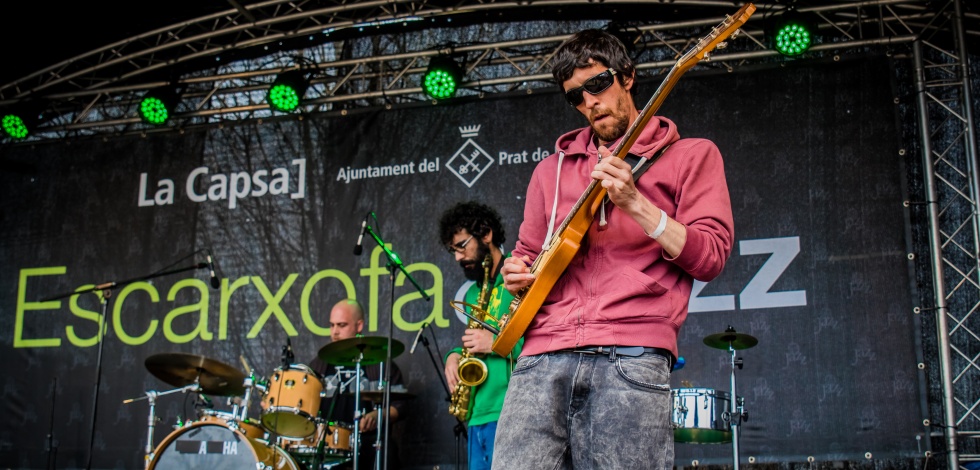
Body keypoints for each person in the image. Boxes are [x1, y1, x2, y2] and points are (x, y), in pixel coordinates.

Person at [493, 29, 735, 469]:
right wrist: (517, 273)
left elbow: (711, 256)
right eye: (575, 96)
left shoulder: (693, 155)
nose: (589, 102)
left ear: (627, 76)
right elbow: (527, 254)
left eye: (598, 84)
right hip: (540, 357)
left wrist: (637, 205)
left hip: (632, 355)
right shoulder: (551, 170)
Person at [438, 201, 524, 470]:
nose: (458, 257)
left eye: (462, 246)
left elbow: (547, 344)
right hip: (477, 415)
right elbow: (472, 340)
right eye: (453, 250)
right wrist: (453, 357)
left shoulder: (520, 275)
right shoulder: (474, 292)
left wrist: (497, 343)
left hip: (513, 411)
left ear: (486, 233)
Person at [307, 298, 405, 470]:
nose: (334, 332)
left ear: (359, 326)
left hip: (369, 443)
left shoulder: (379, 364)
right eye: (332, 325)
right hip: (329, 445)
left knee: (388, 454)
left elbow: (400, 405)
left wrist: (377, 415)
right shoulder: (318, 365)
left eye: (341, 325)